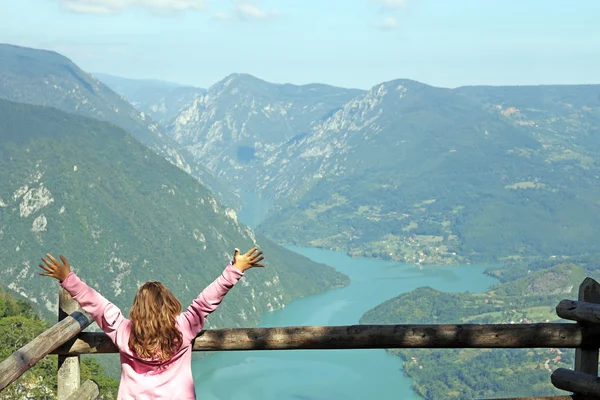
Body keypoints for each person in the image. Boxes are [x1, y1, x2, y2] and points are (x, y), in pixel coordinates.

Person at [39, 247, 264, 400]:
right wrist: (235, 270)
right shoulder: (183, 330)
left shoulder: (123, 332)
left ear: (137, 308)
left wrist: (68, 279)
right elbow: (205, 302)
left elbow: (98, 305)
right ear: (170, 303)